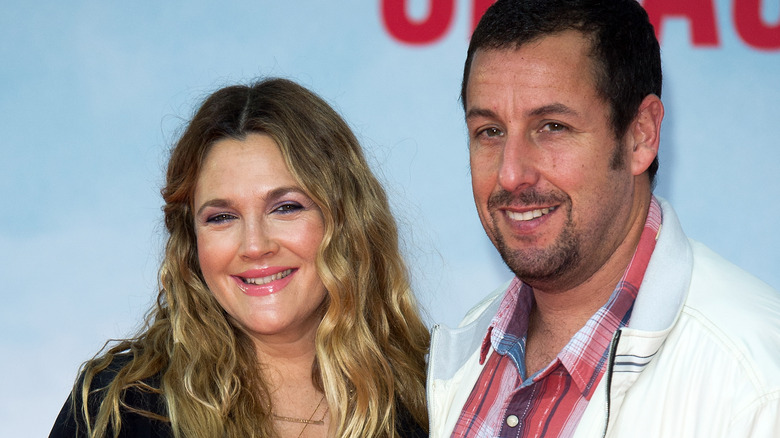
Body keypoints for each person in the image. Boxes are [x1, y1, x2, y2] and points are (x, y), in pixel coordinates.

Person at [426, 0, 780, 436]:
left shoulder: (757, 381)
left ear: (640, 136)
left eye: (552, 127)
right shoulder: (460, 353)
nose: (511, 173)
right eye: (490, 131)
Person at [49, 78, 430, 438]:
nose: (254, 245)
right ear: (191, 242)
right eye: (222, 217)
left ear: (346, 221)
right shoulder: (120, 406)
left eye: (285, 207)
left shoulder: (430, 400)